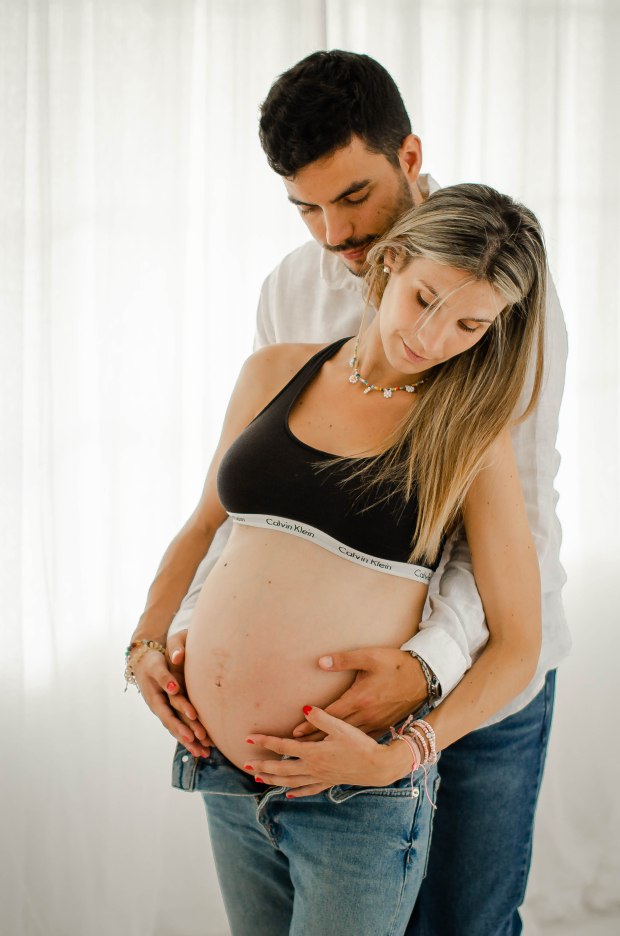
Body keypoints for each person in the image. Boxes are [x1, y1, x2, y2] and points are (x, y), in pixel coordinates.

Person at [127, 52, 569, 935]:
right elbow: (244, 512)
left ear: (409, 157)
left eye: (354, 197)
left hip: (465, 675)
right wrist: (179, 631)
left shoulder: (500, 306)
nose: (333, 233)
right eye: (306, 207)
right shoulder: (290, 298)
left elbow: (490, 541)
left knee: (463, 924)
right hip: (242, 761)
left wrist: (425, 672)